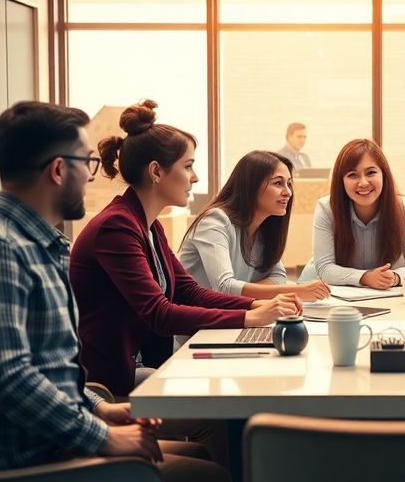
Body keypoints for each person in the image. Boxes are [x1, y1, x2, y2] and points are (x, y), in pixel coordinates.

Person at [0, 101, 227, 480]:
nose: (93, 176)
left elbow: (47, 368)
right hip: (24, 459)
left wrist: (98, 407)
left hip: (48, 440)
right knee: (208, 473)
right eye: (88, 163)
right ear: (59, 169)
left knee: (201, 451)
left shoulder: (32, 244)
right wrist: (102, 436)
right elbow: (8, 378)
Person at [70, 100, 303, 399]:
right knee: (221, 415)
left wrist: (255, 306)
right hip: (110, 383)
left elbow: (188, 291)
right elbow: (159, 314)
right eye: (188, 166)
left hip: (142, 367)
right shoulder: (116, 228)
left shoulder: (148, 225)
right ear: (156, 171)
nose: (195, 177)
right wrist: (250, 318)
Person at [179, 150, 330, 301]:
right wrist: (297, 291)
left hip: (231, 314)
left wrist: (247, 292)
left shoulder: (264, 228)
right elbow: (224, 287)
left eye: (288, 184)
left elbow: (279, 276)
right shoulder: (214, 221)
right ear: (251, 186)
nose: (288, 192)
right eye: (278, 183)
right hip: (196, 320)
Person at [299, 138, 405, 289]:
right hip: (326, 290)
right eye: (352, 175)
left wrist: (395, 277)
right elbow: (325, 268)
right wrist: (365, 277)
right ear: (341, 181)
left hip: (384, 293)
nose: (363, 182)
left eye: (371, 172)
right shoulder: (327, 208)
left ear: (384, 175)